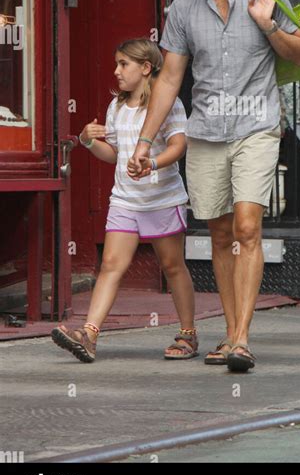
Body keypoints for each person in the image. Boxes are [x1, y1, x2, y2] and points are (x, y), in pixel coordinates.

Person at [128, 0, 300, 372]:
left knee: (248, 227)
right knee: (221, 232)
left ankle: (243, 339)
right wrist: (145, 140)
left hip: (257, 125)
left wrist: (270, 25)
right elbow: (170, 78)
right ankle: (230, 334)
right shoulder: (183, 7)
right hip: (207, 131)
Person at [51, 39, 197, 362]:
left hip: (163, 198)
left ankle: (188, 335)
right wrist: (88, 142)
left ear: (146, 68)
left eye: (124, 64)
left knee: (172, 266)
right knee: (110, 265)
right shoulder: (116, 106)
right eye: (116, 64)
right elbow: (114, 154)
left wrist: (153, 164)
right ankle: (89, 334)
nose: (116, 71)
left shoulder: (167, 103)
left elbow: (179, 145)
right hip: (125, 200)